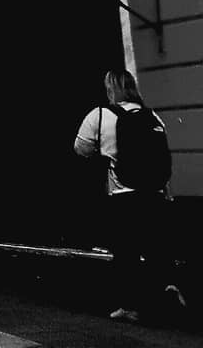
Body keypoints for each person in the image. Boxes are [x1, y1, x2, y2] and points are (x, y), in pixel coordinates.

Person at [74, 67, 184, 322]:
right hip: (155, 192)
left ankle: (129, 306)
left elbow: (80, 149)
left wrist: (103, 150)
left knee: (126, 250)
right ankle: (167, 288)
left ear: (111, 89)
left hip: (122, 193)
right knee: (156, 246)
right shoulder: (152, 116)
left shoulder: (101, 114)